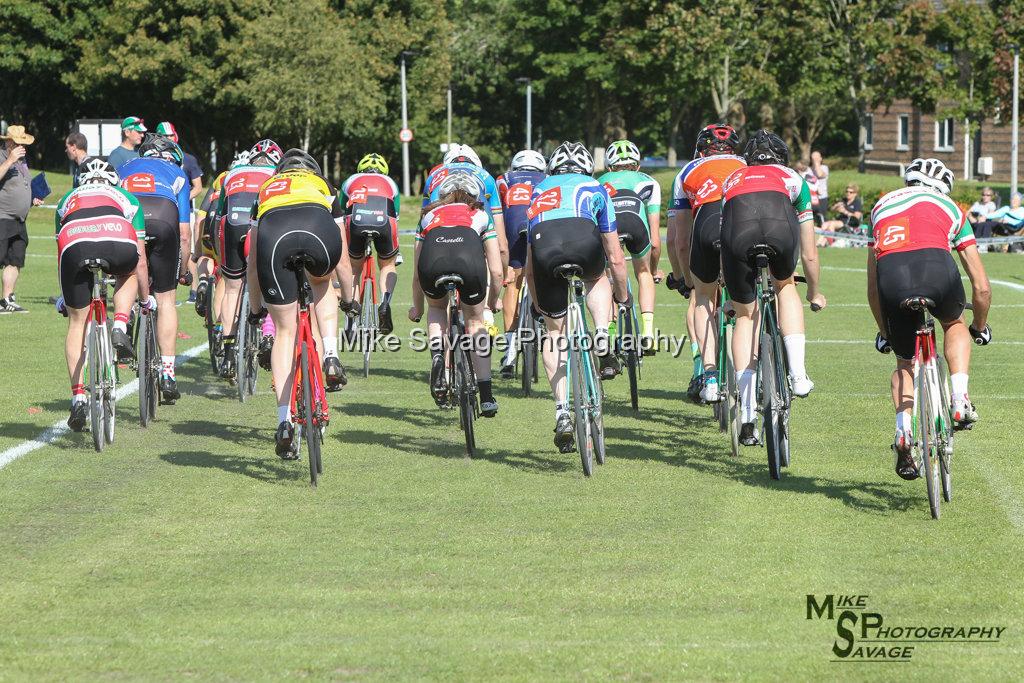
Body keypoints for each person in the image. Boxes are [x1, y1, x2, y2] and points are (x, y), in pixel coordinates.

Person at [866, 158, 991, 480]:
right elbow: (981, 286)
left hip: (892, 279)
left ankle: (903, 430)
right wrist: (978, 325)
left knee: (905, 364)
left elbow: (872, 289)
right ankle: (960, 397)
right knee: (953, 323)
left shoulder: (880, 206)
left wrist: (885, 332)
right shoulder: (950, 207)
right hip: (937, 269)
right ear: (943, 186)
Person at [719, 130, 826, 446]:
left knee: (744, 317)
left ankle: (748, 415)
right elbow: (809, 251)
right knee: (785, 286)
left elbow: (724, 235)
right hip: (780, 230)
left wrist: (731, 290)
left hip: (737, 234)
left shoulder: (733, 179)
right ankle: (797, 373)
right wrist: (814, 291)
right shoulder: (793, 177)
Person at [525, 141, 629, 452]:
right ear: (586, 168)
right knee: (596, 276)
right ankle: (600, 335)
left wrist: (536, 301)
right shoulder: (595, 186)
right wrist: (622, 297)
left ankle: (561, 412)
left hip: (545, 252)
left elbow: (529, 265)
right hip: (584, 245)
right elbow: (615, 255)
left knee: (554, 333)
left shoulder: (538, 189)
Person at [246, 150, 345, 458]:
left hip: (275, 241)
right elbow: (341, 252)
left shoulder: (265, 190)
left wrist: (254, 308)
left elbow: (252, 261)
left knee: (286, 332)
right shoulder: (323, 184)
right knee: (322, 281)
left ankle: (283, 421)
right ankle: (330, 353)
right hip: (319, 234)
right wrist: (351, 298)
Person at [53, 158, 153, 429]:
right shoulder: (127, 198)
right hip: (116, 237)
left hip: (75, 242)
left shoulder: (66, 199)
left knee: (77, 322)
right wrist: (144, 300)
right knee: (129, 271)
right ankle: (120, 323)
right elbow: (141, 260)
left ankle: (78, 399)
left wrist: (65, 296)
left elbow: (61, 252)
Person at [409, 171, 504, 416]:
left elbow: (417, 273)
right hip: (469, 264)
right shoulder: (481, 214)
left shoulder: (428, 215)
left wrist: (417, 308)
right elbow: (496, 269)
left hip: (433, 263)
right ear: (475, 195)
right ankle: (486, 395)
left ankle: (439, 356)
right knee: (474, 321)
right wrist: (493, 301)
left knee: (437, 308)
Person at [669, 123, 746, 402]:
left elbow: (679, 240)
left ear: (701, 150)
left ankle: (709, 377)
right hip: (743, 226)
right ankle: (753, 375)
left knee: (702, 299)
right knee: (750, 303)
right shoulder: (746, 165)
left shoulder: (688, 170)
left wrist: (687, 282)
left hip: (707, 224)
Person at [117, 133, 192, 402]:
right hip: (163, 219)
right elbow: (184, 233)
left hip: (128, 219)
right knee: (166, 299)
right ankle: (168, 374)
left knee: (127, 276)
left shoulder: (124, 167)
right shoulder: (176, 172)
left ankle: (121, 323)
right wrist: (183, 270)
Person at [212, 139, 281, 381]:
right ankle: (268, 335)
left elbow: (218, 214)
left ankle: (229, 352)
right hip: (261, 227)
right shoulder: (277, 174)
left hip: (231, 226)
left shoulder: (232, 174)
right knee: (272, 280)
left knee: (232, 288)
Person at [597, 139, 662, 353]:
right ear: (638, 165)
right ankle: (648, 333)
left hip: (610, 228)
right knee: (643, 274)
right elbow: (654, 241)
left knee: (609, 278)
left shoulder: (598, 181)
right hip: (636, 224)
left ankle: (610, 334)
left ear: (609, 166)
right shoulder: (649, 181)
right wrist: (652, 271)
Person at [495, 149, 546, 377]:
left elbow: (497, 210)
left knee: (513, 283)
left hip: (512, 228)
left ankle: (509, 350)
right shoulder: (548, 179)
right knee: (544, 275)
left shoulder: (504, 179)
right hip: (540, 227)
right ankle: (544, 320)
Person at [340, 152, 401, 335]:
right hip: (384, 222)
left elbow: (342, 212)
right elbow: (395, 215)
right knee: (387, 265)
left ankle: (350, 314)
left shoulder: (350, 180)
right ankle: (385, 302)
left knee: (353, 268)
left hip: (356, 221)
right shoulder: (390, 183)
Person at [156, 122, 204, 302]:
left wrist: (179, 199)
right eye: (165, 136)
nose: (169, 139)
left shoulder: (188, 159)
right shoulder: (156, 160)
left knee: (189, 250)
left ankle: (193, 289)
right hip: (162, 213)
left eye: (171, 135)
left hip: (185, 210)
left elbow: (198, 187)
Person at [0, 125, 42, 313]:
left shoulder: (23, 160)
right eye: (19, 143)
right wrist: (9, 160)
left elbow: (22, 184)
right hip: (2, 217)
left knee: (15, 260)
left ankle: (7, 299)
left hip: (19, 220)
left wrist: (33, 197)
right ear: (9, 142)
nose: (22, 147)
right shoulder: (4, 156)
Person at [810, 150, 829, 226]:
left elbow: (820, 174)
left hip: (822, 198)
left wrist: (817, 163)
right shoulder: (809, 169)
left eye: (817, 157)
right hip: (811, 198)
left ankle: (825, 236)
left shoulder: (824, 168)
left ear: (821, 158)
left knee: (822, 218)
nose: (815, 159)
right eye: (813, 157)